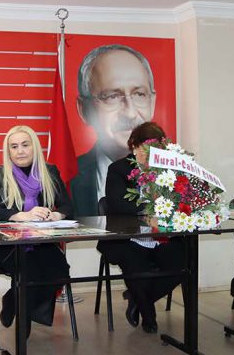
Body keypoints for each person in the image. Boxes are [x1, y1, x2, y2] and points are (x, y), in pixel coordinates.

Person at [0, 125, 72, 336]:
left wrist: (56, 215)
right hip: (9, 245)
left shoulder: (49, 172)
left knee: (60, 271)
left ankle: (11, 300)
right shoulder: (0, 173)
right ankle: (23, 334)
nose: (20, 151)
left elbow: (68, 206)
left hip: (42, 242)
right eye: (14, 147)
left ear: (35, 147)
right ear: (8, 151)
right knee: (29, 273)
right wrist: (19, 215)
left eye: (25, 145)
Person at [97, 122, 183, 334]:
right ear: (134, 146)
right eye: (147, 149)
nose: (152, 155)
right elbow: (117, 204)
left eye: (157, 150)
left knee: (182, 263)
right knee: (136, 268)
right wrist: (150, 209)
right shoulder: (118, 169)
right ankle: (148, 316)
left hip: (161, 236)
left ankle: (137, 299)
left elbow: (179, 200)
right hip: (128, 237)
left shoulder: (167, 170)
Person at [72, 44, 156, 215]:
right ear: (84, 109)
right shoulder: (68, 175)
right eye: (112, 96)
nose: (130, 113)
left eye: (139, 94)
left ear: (152, 102)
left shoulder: (174, 171)